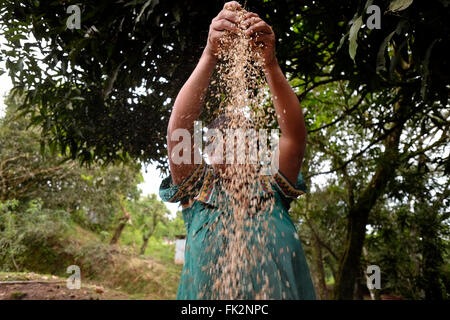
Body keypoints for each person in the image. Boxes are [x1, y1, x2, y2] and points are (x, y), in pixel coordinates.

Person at [160, 1, 316, 300]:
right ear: (206, 154)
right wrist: (210, 54)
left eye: (245, 137)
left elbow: (294, 138)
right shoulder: (198, 192)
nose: (234, 143)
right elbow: (179, 131)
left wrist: (269, 64)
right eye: (223, 139)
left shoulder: (273, 191)